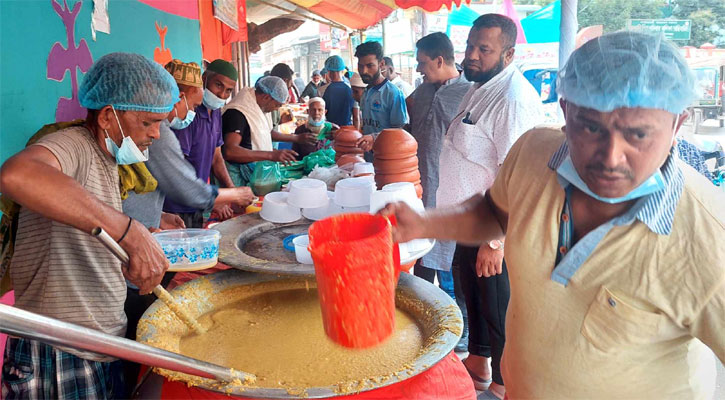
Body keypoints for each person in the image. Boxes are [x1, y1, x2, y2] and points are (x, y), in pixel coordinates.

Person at [383, 31, 725, 399]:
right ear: (565, 111)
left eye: (639, 135)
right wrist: (423, 223)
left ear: (676, 125)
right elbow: (494, 213)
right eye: (591, 127)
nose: (611, 157)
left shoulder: (708, 236)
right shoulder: (533, 153)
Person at [0, 52, 172, 398]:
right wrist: (128, 231)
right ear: (109, 116)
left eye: (160, 123)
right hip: (59, 350)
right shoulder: (73, 144)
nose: (156, 134)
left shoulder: (107, 156)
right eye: (147, 122)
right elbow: (17, 175)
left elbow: (87, 228)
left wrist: (134, 243)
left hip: (98, 343)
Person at [121, 59, 254, 381]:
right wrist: (232, 195)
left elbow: (130, 192)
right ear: (177, 97)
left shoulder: (201, 118)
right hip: (128, 255)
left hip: (152, 227)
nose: (156, 131)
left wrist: (157, 215)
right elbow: (183, 186)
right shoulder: (159, 131)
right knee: (137, 316)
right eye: (192, 100)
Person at [436, 14, 544, 399]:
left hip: (496, 229)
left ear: (509, 54)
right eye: (470, 46)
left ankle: (502, 384)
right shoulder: (480, 86)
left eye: (485, 49)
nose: (472, 56)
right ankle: (479, 362)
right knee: (474, 297)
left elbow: (518, 175)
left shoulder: (512, 99)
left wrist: (495, 242)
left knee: (498, 308)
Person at [405, 32, 472, 348]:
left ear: (440, 60)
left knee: (451, 264)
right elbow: (413, 131)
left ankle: (461, 328)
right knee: (421, 258)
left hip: (451, 193)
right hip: (420, 189)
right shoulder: (421, 92)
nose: (419, 69)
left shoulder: (468, 94)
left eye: (422, 63)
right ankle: (426, 321)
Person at [163, 59, 238, 228]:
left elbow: (216, 157)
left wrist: (232, 191)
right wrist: (212, 201)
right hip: (175, 206)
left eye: (228, 91)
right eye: (218, 85)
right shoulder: (186, 114)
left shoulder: (216, 112)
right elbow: (177, 169)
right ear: (204, 79)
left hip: (196, 203)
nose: (222, 95)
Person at [221, 76, 315, 187]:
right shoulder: (238, 112)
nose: (276, 109)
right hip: (237, 176)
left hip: (254, 170)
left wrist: (296, 138)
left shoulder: (259, 107)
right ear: (266, 97)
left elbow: (266, 132)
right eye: (277, 105)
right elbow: (230, 151)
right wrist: (270, 155)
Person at [354, 41, 409, 159]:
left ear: (381, 64)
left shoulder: (393, 93)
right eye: (361, 66)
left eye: (370, 66)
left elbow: (401, 131)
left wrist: (375, 138)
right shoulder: (366, 92)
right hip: (369, 158)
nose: (364, 71)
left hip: (388, 159)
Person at [321, 55, 355, 127]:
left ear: (328, 71)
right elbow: (356, 117)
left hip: (329, 130)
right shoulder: (352, 88)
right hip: (346, 131)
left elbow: (319, 116)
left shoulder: (322, 89)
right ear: (342, 69)